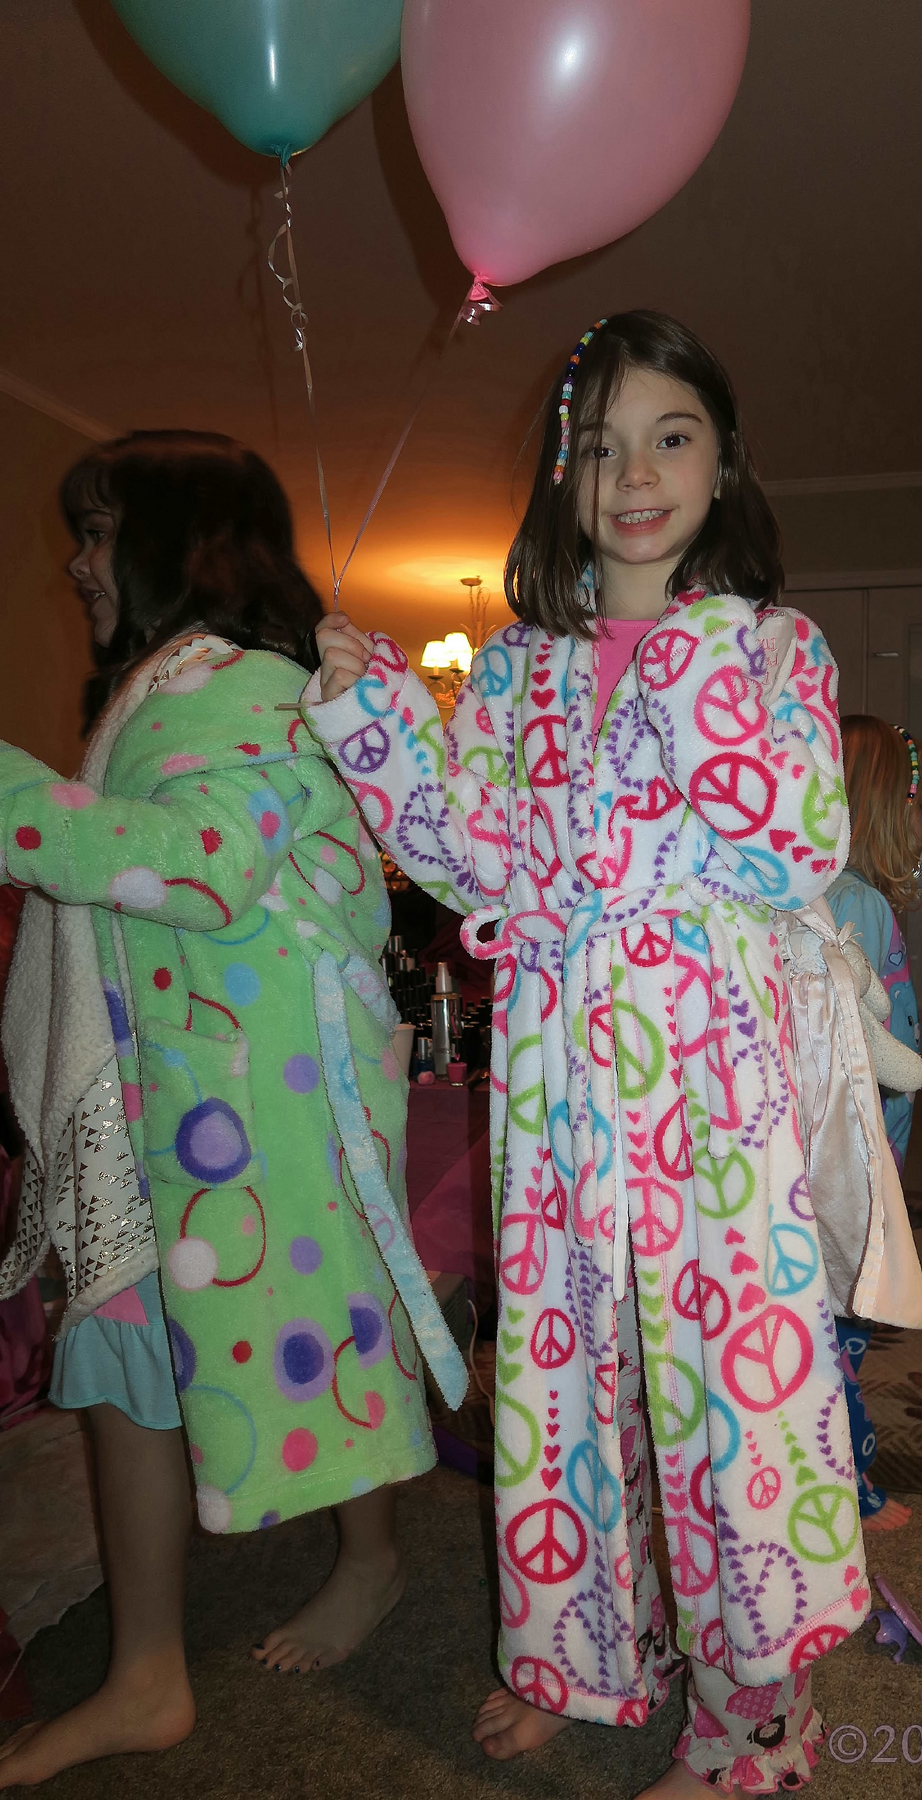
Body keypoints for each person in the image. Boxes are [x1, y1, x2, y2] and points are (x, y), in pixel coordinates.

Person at [308, 312, 870, 1797]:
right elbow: (471, 859)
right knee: (568, 1383)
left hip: (705, 1085)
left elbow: (804, 839)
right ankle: (588, 1656)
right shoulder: (513, 677)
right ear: (564, 474)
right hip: (557, 1073)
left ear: (724, 458)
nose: (633, 473)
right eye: (600, 443)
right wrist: (373, 720)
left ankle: (759, 1718)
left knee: (725, 1397)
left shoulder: (770, 648)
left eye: (669, 435)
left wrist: (686, 666)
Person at [0, 431, 464, 1789]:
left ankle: (372, 1561)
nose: (79, 560)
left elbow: (193, 869)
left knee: (325, 1318)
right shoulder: (157, 693)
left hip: (261, 1107)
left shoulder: (257, 691)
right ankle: (148, 1671)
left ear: (177, 542)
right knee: (126, 1347)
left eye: (99, 531)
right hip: (152, 1094)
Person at [823, 714, 922, 1535]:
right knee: (844, 1336)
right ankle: (849, 1492)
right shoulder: (860, 906)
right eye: (913, 799)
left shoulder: (818, 896)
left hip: (823, 1152)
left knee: (816, 1322)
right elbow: (885, 1058)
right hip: (858, 1162)